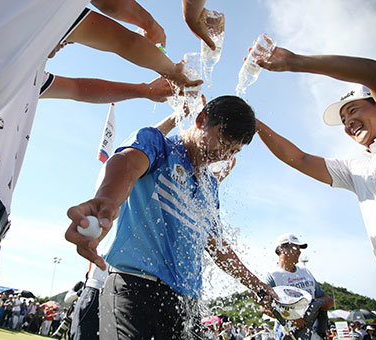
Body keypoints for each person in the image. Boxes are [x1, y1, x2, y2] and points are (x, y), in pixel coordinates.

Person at [0, 1, 180, 338]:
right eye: (65, 36)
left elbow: (81, 89)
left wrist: (143, 91)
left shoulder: (29, 73)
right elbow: (122, 37)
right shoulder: (18, 32)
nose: (64, 42)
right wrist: (166, 55)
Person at [66, 95, 276, 339]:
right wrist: (107, 201)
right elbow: (127, 163)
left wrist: (256, 285)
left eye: (233, 151)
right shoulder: (158, 145)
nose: (223, 155)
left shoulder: (209, 186)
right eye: (223, 141)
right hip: (134, 288)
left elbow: (218, 247)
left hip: (186, 304)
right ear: (200, 120)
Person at [254, 46, 376, 327]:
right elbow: (300, 158)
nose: (348, 123)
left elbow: (375, 73)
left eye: (353, 110)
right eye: (343, 121)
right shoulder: (358, 168)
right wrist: (253, 122)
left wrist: (295, 62)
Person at [261, 233, 334, 340]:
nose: (299, 251)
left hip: (315, 334)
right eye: (295, 247)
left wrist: (321, 303)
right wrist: (291, 318)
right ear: (282, 249)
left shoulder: (305, 272)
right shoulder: (273, 275)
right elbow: (263, 307)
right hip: (287, 333)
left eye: (300, 248)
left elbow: (325, 298)